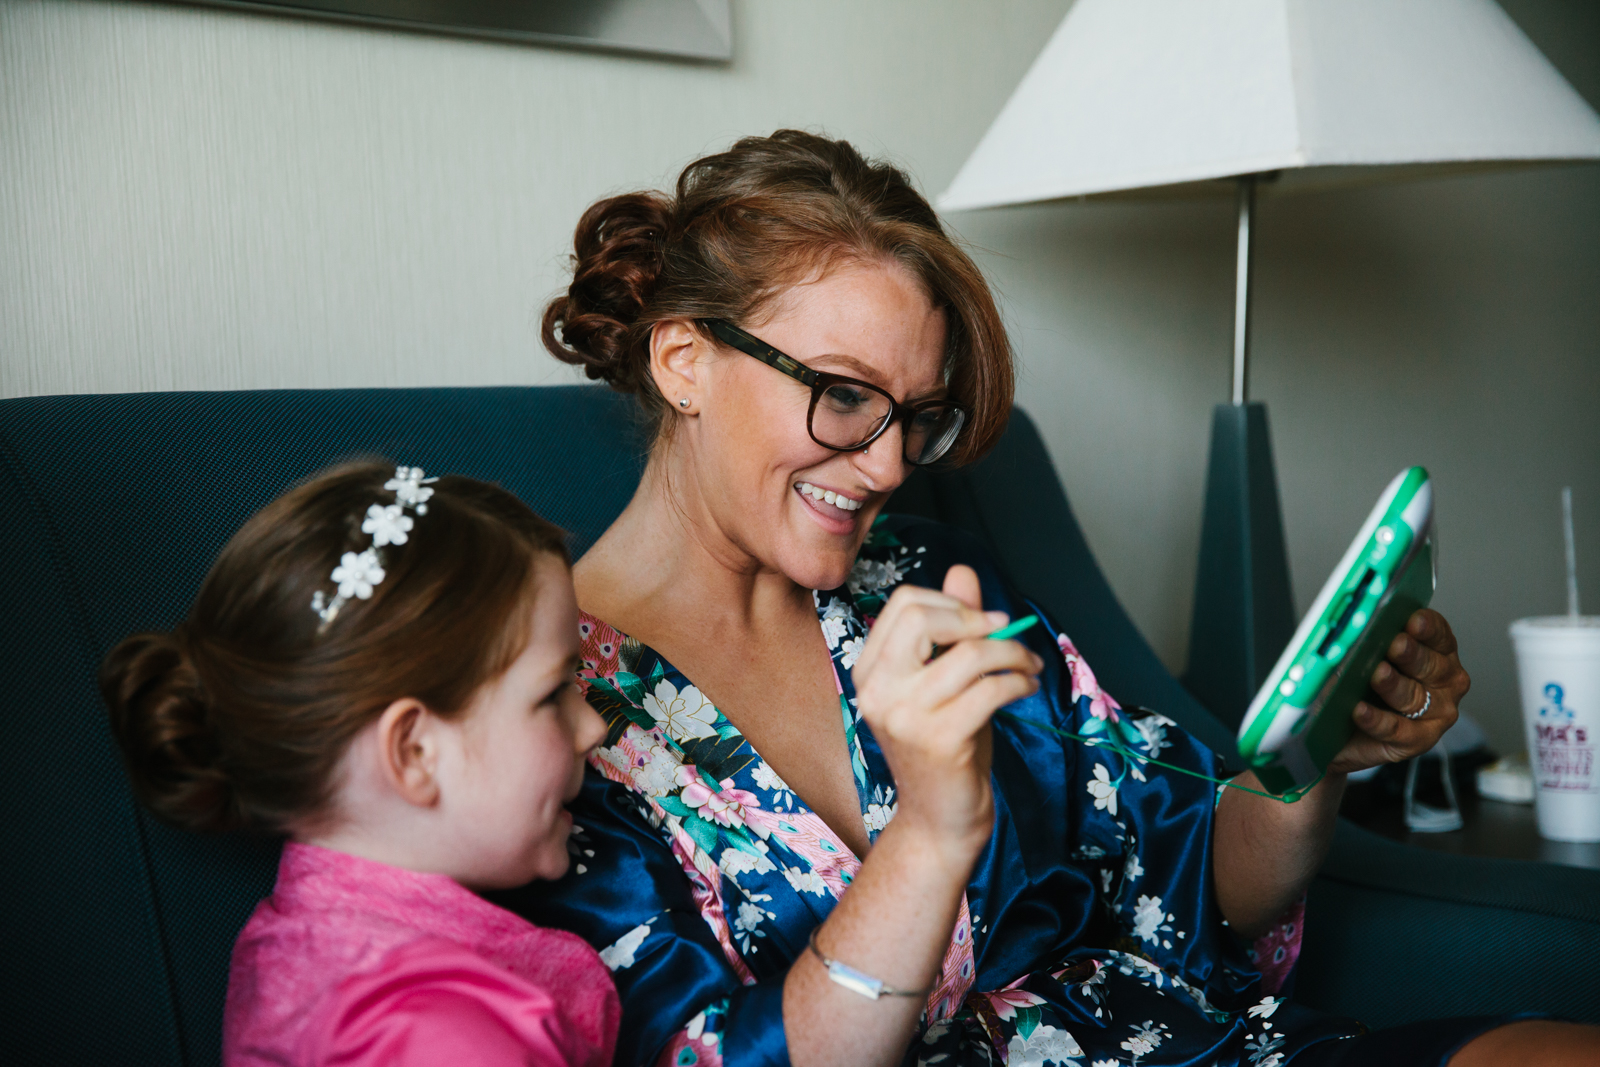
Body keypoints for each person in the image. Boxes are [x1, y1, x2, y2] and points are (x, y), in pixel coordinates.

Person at [506, 130, 1600, 1067]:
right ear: (684, 360)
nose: (889, 467)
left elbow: (1190, 872)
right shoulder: (540, 705)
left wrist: (1323, 752)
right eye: (843, 396)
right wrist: (932, 830)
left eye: (916, 416)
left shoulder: (931, 582)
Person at [100, 462, 619, 1067]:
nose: (594, 726)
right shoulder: (439, 1036)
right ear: (414, 752)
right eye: (551, 694)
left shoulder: (296, 943)